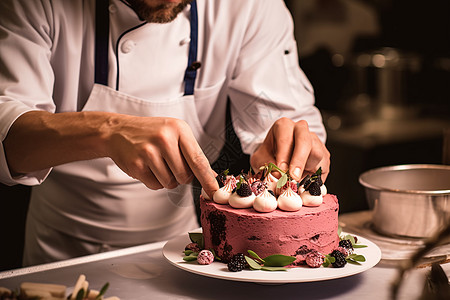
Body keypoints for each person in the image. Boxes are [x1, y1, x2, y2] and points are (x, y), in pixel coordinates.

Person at [0, 0, 330, 266]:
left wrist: (292, 147)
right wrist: (107, 129)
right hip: (60, 251)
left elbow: (289, 115)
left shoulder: (251, 6)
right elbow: (9, 134)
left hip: (180, 249)